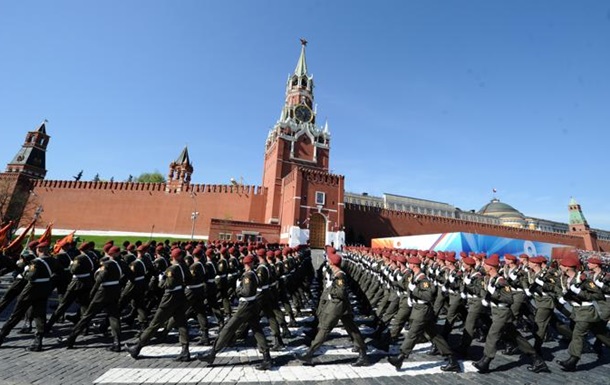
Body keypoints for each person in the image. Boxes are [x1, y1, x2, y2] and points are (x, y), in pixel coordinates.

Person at [472, 254, 549, 374]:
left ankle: (485, 361)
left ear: (491, 267)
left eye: (486, 264)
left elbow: (509, 299)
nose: (483, 266)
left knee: (493, 334)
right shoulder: (490, 278)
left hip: (502, 313)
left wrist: (493, 294)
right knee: (515, 337)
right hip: (496, 311)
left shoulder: (502, 282)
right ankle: (537, 360)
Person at [197, 254, 272, 370]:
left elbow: (246, 292)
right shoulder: (252, 273)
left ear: (247, 263)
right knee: (257, 330)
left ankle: (212, 353)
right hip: (252, 305)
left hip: (246, 305)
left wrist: (238, 289)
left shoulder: (249, 275)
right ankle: (267, 357)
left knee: (228, 328)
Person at [295, 249, 371, 367]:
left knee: (325, 328)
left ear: (332, 263)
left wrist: (331, 292)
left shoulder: (340, 276)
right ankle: (363, 354)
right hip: (340, 306)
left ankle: (309, 354)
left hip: (337, 306)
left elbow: (340, 293)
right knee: (352, 330)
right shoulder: (336, 274)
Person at [386, 255, 460, 372]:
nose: (408, 265)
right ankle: (452, 359)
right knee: (435, 336)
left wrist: (414, 290)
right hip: (418, 309)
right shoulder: (414, 276)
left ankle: (400, 357)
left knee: (412, 333)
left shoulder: (423, 279)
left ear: (414, 265)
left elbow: (428, 295)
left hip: (422, 310)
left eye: (410, 264)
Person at [125, 247, 192, 361]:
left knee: (155, 324)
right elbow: (189, 280)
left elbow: (167, 285)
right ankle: (185, 350)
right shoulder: (184, 267)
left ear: (173, 256)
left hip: (169, 298)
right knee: (181, 323)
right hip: (180, 296)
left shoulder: (171, 269)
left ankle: (138, 347)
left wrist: (162, 279)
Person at [555, 254, 610, 371]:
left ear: (568, 267)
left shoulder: (583, 280)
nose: (560, 266)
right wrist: (563, 298)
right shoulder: (566, 279)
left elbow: (598, 295)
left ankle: (572, 360)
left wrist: (580, 292)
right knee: (602, 334)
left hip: (586, 312)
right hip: (577, 311)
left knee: (578, 335)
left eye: (563, 265)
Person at [0, 241, 59, 351]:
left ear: (40, 250)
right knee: (40, 315)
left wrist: (25, 271)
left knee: (16, 314)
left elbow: (30, 277)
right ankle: (38, 341)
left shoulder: (35, 262)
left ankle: (2, 336)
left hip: (31, 290)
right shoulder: (53, 260)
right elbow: (58, 273)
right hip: (44, 289)